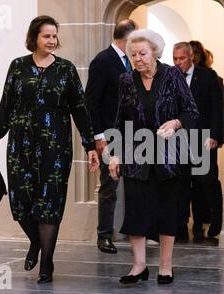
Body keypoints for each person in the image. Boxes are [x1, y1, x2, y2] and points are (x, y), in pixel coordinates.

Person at [0, 15, 99, 284]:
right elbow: (6, 106)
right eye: (47, 36)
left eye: (54, 36)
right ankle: (36, 242)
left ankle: (46, 263)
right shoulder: (17, 67)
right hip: (20, 146)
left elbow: (80, 109)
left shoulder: (66, 70)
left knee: (50, 204)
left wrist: (90, 144)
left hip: (55, 147)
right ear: (34, 37)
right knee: (20, 202)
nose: (52, 41)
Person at [109, 29, 199, 284]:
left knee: (166, 210)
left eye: (143, 53)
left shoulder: (172, 75)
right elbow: (120, 119)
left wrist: (175, 123)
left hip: (168, 153)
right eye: (133, 54)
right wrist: (114, 154)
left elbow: (191, 111)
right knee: (136, 210)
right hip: (136, 153)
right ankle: (139, 266)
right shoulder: (126, 80)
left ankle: (165, 266)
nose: (138, 58)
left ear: (155, 52)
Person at [85, 19, 138, 254]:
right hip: (109, 133)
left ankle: (140, 229)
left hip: (134, 132)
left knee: (138, 182)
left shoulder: (135, 61)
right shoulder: (103, 60)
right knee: (109, 185)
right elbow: (91, 102)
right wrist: (98, 136)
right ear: (126, 39)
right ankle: (104, 235)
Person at [173, 42, 224, 244]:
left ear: (191, 57)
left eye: (182, 58)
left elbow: (217, 109)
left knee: (207, 182)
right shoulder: (170, 78)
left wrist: (215, 135)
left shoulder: (207, 77)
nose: (178, 63)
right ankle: (181, 225)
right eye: (175, 59)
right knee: (181, 184)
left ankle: (213, 224)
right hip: (179, 141)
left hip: (203, 140)